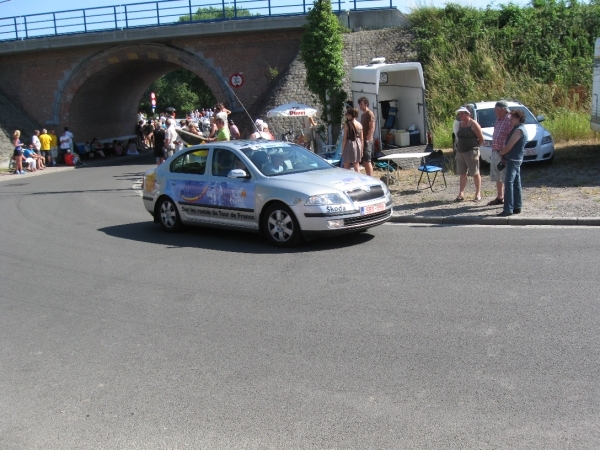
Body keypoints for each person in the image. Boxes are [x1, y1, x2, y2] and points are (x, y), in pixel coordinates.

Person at [497, 109, 528, 216]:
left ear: (518, 118)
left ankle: (508, 209)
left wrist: (501, 152)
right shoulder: (520, 129)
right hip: (516, 158)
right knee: (516, 183)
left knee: (509, 183)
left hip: (513, 159)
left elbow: (509, 146)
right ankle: (517, 206)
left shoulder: (518, 130)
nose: (511, 120)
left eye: (513, 118)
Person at [454, 106, 484, 202]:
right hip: (460, 151)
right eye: (460, 114)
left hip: (471, 151)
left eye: (462, 113)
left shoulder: (473, 124)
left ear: (468, 114)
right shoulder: (460, 124)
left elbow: (481, 138)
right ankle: (461, 193)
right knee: (462, 173)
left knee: (475, 173)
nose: (460, 115)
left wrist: (475, 148)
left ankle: (478, 193)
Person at [487, 100, 513, 206]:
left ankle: (508, 198)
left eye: (496, 109)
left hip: (505, 153)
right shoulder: (498, 120)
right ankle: (500, 196)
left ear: (503, 109)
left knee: (506, 176)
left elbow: (512, 137)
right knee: (498, 176)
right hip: (496, 152)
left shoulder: (510, 120)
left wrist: (505, 151)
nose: (494, 112)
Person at [358, 97, 375, 176]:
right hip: (363, 139)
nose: (360, 106)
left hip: (367, 140)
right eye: (359, 104)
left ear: (366, 104)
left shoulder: (370, 114)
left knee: (367, 160)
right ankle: (368, 176)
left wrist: (368, 138)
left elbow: (372, 128)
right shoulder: (362, 115)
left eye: (361, 104)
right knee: (364, 160)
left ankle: (370, 177)